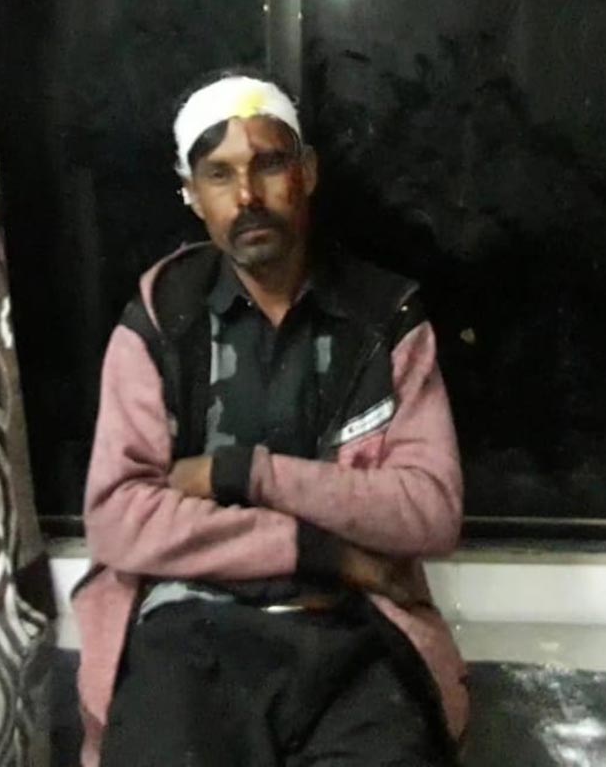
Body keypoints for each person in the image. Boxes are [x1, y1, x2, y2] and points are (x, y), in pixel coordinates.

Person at [73, 67, 468, 766]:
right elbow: (118, 518)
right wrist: (322, 551)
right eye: (219, 175)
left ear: (306, 173)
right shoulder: (162, 319)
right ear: (192, 195)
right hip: (188, 630)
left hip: (349, 631)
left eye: (269, 164)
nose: (248, 196)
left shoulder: (384, 320)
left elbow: (430, 512)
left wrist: (239, 474)